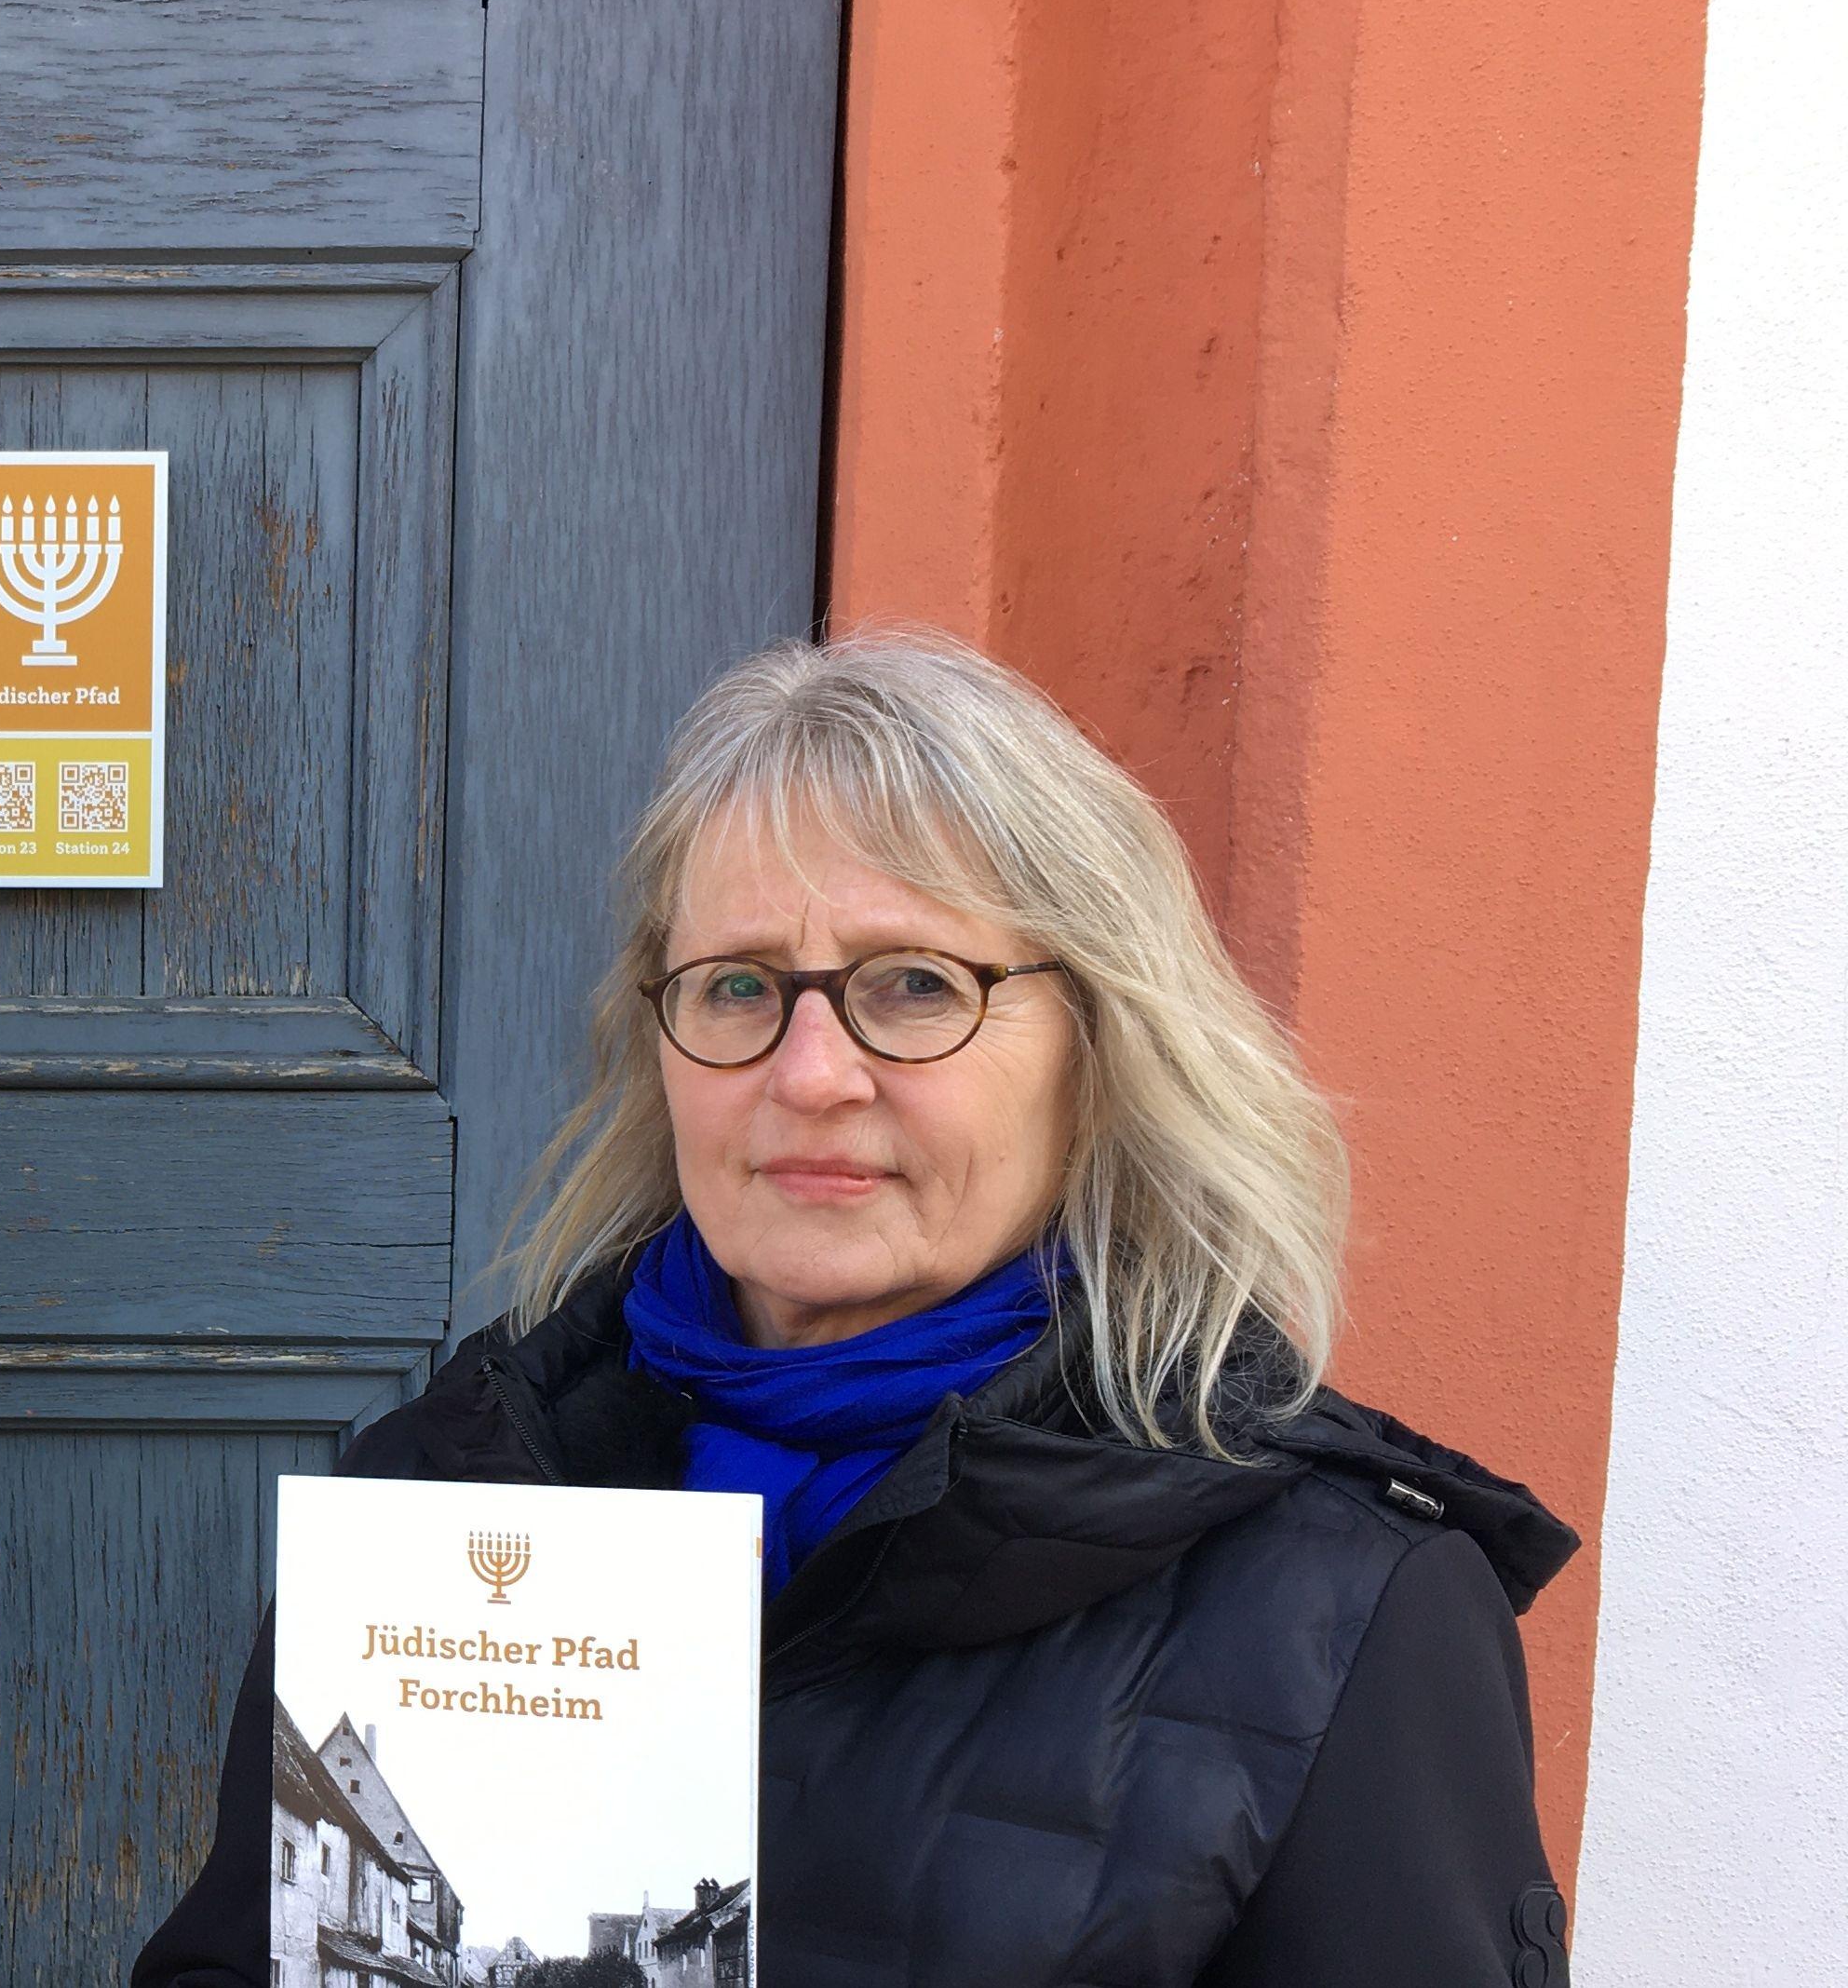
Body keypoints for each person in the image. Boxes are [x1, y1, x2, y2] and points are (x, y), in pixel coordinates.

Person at [134, 631, 1578, 1988]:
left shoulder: (1345, 1611)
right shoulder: (448, 1501)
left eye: (914, 984)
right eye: (738, 984)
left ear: (1101, 1048)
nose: (811, 1072)